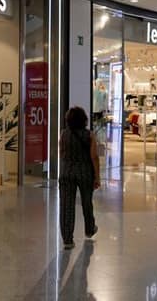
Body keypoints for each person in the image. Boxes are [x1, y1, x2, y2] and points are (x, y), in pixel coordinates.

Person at [59, 106, 100, 250]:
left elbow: (61, 153)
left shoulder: (63, 134)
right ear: (84, 120)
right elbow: (94, 157)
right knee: (87, 202)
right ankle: (89, 229)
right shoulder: (89, 135)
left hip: (67, 172)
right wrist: (97, 177)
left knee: (66, 205)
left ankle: (67, 240)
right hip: (84, 172)